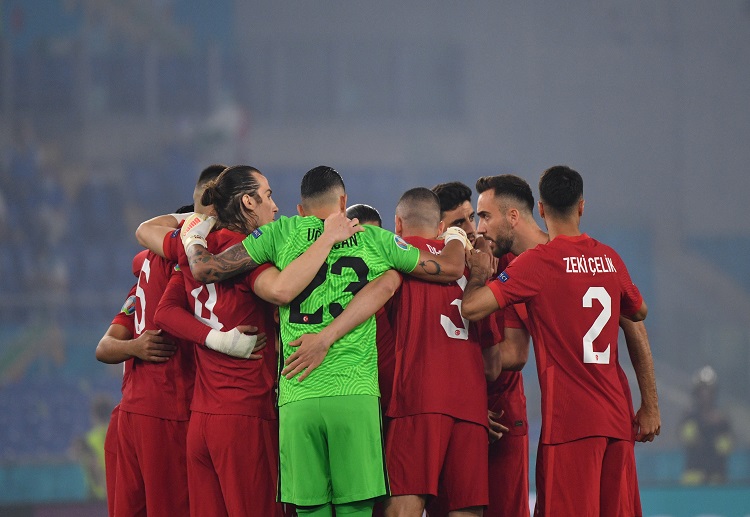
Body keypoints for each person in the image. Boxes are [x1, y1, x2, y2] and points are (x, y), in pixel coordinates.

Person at [181, 166, 470, 517]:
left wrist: (193, 238)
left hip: (298, 396)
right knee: (355, 510)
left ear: (301, 208)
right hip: (354, 395)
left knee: (310, 511)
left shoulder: (278, 233)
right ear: (343, 202)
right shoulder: (374, 240)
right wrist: (455, 235)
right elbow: (450, 268)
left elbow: (206, 269)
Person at [461, 165, 658, 516]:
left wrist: (477, 274)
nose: (479, 227)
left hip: (570, 422)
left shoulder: (536, 264)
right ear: (580, 207)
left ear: (529, 212)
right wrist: (650, 405)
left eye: (484, 216)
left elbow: (473, 308)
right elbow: (638, 314)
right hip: (616, 417)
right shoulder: (607, 257)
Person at [95, 164, 224, 516]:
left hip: (130, 412)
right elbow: (110, 344)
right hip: (167, 407)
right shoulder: (187, 258)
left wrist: (133, 347)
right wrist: (135, 347)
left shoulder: (143, 275)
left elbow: (105, 347)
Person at [378, 188, 489, 517]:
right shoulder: (473, 265)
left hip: (418, 399)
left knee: (403, 508)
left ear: (398, 224)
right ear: (441, 227)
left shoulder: (394, 254)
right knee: (466, 509)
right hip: (472, 407)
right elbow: (495, 360)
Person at [680, 365, 733, 485]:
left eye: (709, 390)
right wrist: (703, 423)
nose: (705, 394)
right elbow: (688, 438)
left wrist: (718, 428)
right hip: (693, 478)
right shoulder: (690, 418)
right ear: (696, 393)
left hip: (717, 479)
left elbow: (725, 447)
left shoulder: (722, 421)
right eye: (702, 390)